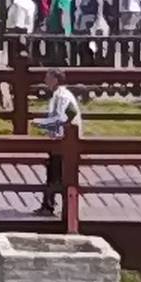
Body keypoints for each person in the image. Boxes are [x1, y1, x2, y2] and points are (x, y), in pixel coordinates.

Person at [38, 78, 83, 214]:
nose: (45, 80)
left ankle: (50, 205)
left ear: (55, 80)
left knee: (55, 173)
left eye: (48, 77)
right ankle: (50, 203)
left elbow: (63, 116)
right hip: (63, 138)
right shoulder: (62, 94)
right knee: (56, 173)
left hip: (62, 140)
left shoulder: (61, 96)